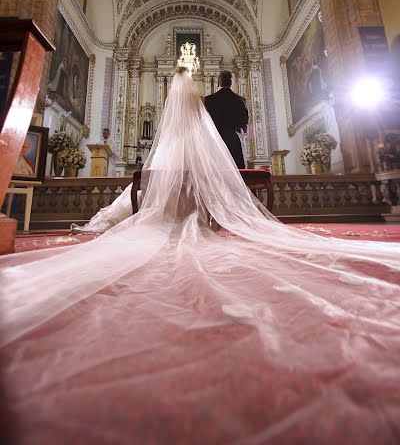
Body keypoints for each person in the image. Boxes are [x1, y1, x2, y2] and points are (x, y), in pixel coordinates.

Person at [1, 65, 400, 443]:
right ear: (220, 80)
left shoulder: (204, 102)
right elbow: (242, 125)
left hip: (177, 152)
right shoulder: (221, 100)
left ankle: (173, 214)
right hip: (219, 152)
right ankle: (205, 216)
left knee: (167, 192)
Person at [204, 69, 248, 168]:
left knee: (216, 173)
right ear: (231, 83)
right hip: (233, 140)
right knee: (236, 172)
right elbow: (244, 122)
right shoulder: (240, 100)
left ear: (218, 82)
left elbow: (204, 123)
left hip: (214, 141)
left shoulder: (208, 100)